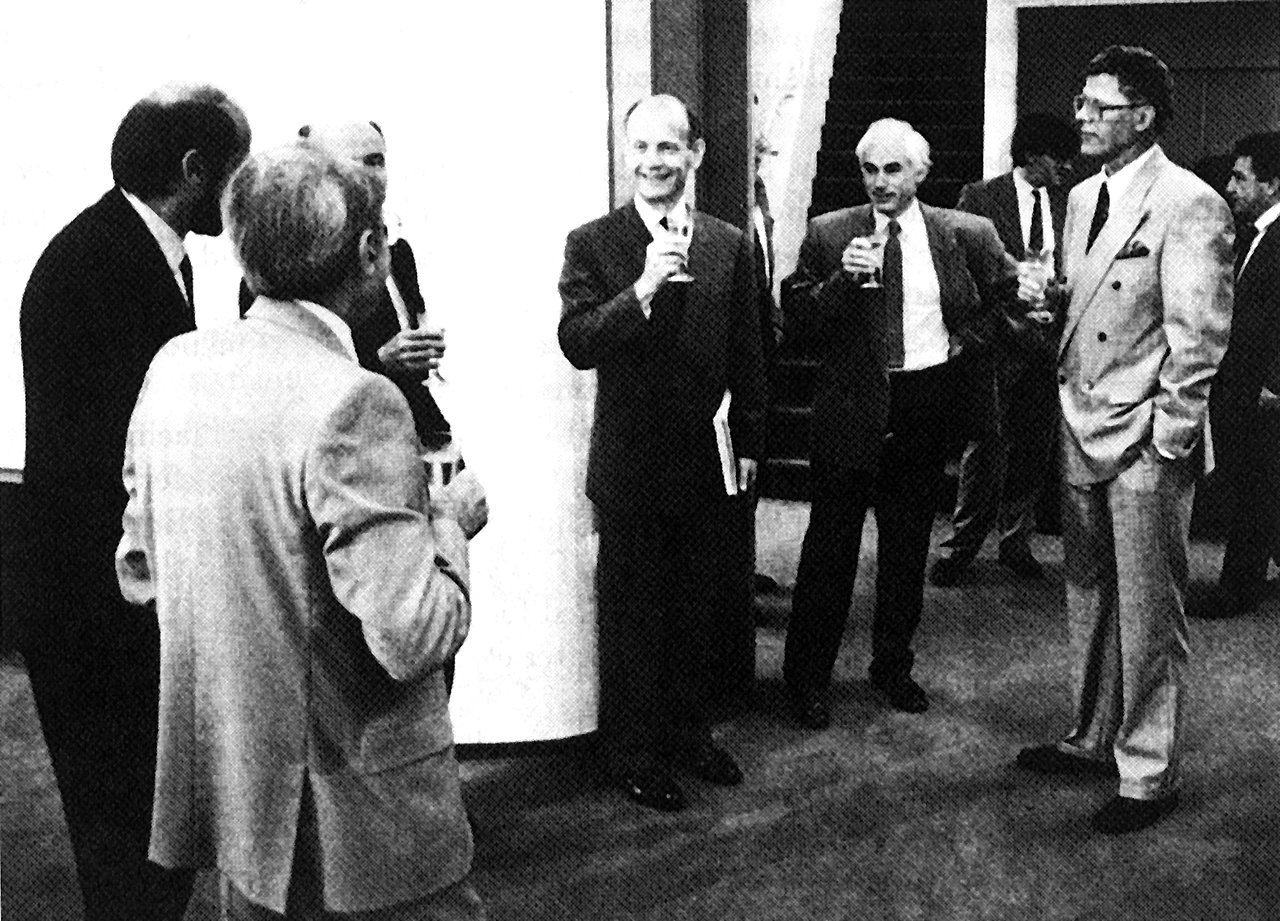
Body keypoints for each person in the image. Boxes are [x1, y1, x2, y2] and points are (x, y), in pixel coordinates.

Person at [116, 144, 489, 919]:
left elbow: (139, 570)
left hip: (236, 799)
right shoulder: (356, 401)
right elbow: (414, 636)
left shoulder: (176, 367)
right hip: (358, 824)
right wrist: (449, 525)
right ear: (369, 251)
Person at [16, 83, 250, 921]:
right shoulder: (101, 266)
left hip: (104, 592)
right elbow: (122, 452)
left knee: (142, 846)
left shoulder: (129, 251)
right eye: (236, 169)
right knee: (124, 849)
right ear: (194, 169)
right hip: (93, 603)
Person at [1015, 46, 1234, 834]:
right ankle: (1090, 735)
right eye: (1081, 102)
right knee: (1088, 594)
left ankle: (1148, 774)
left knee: (1148, 614)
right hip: (1082, 421)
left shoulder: (1191, 203)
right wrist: (1051, 301)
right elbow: (1090, 302)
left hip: (1145, 439)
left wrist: (1168, 441)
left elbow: (1197, 340)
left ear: (1142, 116)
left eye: (1098, 106)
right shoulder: (1081, 198)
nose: (1079, 116)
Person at [780, 118, 1033, 728]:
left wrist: (970, 341)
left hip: (924, 404)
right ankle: (807, 680)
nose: (880, 182)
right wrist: (842, 279)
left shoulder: (966, 233)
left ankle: (892, 667)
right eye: (869, 169)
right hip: (851, 409)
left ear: (921, 172)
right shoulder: (829, 232)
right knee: (829, 552)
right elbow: (800, 321)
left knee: (906, 547)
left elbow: (1012, 299)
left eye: (893, 169)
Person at [558, 94, 767, 812]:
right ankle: (632, 754)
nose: (654, 162)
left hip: (707, 459)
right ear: (627, 154)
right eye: (642, 147)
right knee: (633, 616)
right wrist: (643, 287)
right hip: (630, 464)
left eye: (668, 147)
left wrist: (751, 443)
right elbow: (577, 341)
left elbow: (749, 350)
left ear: (695, 155)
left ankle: (689, 733)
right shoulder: (593, 243)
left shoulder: (726, 242)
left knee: (696, 608)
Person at [238, 120, 452, 451]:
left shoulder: (398, 251)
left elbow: (412, 334)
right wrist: (380, 361)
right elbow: (284, 389)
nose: (377, 175)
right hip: (346, 444)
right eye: (364, 162)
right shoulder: (279, 271)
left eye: (380, 161)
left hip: (414, 430)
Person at [931, 113, 1079, 586]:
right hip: (997, 343)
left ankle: (1016, 542)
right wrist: (1010, 302)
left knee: (1035, 446)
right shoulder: (980, 198)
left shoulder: (1071, 203)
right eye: (1060, 158)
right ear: (1032, 155)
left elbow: (1074, 267)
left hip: (1048, 344)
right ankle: (961, 546)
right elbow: (958, 268)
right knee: (986, 446)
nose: (1068, 167)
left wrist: (1056, 298)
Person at [1201, 132, 1280, 617]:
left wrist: (1275, 382)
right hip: (1245, 385)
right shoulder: (1256, 235)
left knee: (1257, 487)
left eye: (1240, 177)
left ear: (1272, 184)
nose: (1230, 187)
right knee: (1259, 484)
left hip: (1266, 390)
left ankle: (1237, 589)